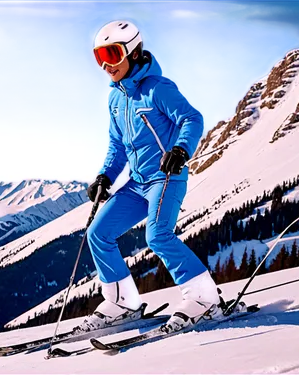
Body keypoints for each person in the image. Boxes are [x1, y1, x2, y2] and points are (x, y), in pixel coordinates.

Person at [76, 20, 243, 334]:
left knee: (158, 236)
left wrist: (180, 150)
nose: (106, 65)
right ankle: (121, 303)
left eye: (112, 54)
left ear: (133, 51)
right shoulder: (114, 99)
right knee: (98, 234)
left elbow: (192, 118)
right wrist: (105, 176)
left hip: (166, 177)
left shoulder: (158, 88)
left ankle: (204, 298)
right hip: (137, 184)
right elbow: (117, 145)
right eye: (99, 57)